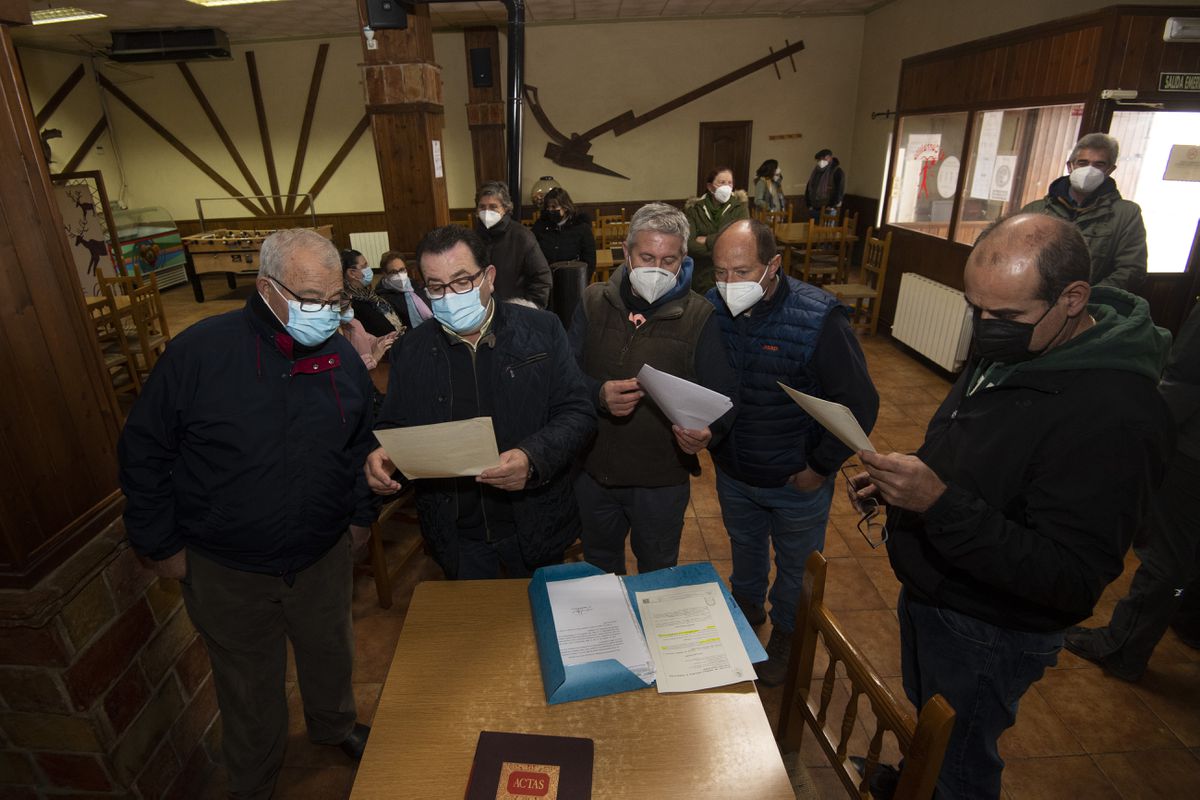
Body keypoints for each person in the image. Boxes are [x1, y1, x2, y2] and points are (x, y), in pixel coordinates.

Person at [849, 213, 1173, 799]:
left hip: (989, 626)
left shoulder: (1118, 417)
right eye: (975, 309)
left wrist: (936, 502)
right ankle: (915, 783)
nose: (984, 329)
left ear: (1072, 299)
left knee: (962, 762)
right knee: (932, 724)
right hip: (938, 588)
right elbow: (977, 446)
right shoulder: (1024, 341)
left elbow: (1071, 578)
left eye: (1004, 317)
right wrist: (909, 480)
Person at [118, 229, 377, 799]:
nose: (325, 312)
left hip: (321, 554)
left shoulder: (340, 356)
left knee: (331, 652)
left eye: (335, 299)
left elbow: (363, 445)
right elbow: (143, 452)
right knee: (248, 686)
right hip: (226, 567)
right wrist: (161, 546)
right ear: (266, 288)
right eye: (311, 298)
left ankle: (334, 725)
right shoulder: (199, 353)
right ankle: (254, 781)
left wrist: (360, 516)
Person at [364, 225, 595, 580]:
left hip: (532, 517)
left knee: (534, 609)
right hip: (457, 531)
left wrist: (532, 457)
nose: (449, 296)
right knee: (474, 614)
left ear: (489, 277)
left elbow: (578, 412)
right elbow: (395, 421)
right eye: (436, 286)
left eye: (461, 281)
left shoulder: (543, 330)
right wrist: (384, 452)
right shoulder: (411, 349)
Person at [707, 218, 878, 687]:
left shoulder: (820, 318)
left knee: (797, 566)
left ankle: (786, 632)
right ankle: (746, 609)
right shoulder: (712, 308)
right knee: (744, 549)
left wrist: (818, 467)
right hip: (735, 470)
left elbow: (860, 404)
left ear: (774, 265)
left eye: (742, 271)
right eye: (719, 272)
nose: (728, 283)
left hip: (795, 479)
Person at [568, 202, 737, 575]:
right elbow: (564, 377)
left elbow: (725, 398)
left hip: (661, 483)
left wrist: (709, 433)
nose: (657, 269)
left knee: (658, 577)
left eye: (668, 260)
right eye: (647, 257)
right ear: (626, 253)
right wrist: (598, 394)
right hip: (594, 475)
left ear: (683, 260)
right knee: (599, 573)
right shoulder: (593, 301)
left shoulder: (700, 316)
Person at [1064, 301, 1200, 680]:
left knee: (1166, 557)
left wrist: (1142, 433)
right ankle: (1190, 621)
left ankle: (1124, 648)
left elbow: (1184, 383)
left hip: (1191, 452)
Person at [1020, 132, 1147, 290]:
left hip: (1092, 301)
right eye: (1083, 163)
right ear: (1070, 166)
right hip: (1037, 298)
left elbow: (1131, 270)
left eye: (1099, 164)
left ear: (1110, 170)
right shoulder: (1036, 209)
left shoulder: (1126, 214)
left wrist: (1086, 296)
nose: (1089, 170)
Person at [474, 180, 553, 308]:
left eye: (493, 207)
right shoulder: (472, 238)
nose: (487, 212)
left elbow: (541, 277)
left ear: (505, 208)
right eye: (482, 207)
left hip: (514, 310)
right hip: (480, 310)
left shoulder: (522, 236)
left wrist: (529, 309)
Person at [685, 167, 750, 294]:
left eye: (730, 183)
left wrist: (708, 240)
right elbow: (689, 244)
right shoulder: (694, 209)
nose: (727, 187)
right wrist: (725, 246)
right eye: (722, 182)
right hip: (702, 274)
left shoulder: (739, 207)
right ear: (710, 187)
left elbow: (741, 241)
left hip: (732, 273)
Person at [532, 187, 597, 282]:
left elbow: (590, 261)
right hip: (546, 279)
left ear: (565, 207)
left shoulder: (581, 228)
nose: (550, 210)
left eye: (554, 207)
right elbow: (532, 253)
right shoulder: (540, 226)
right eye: (548, 207)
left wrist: (581, 282)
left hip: (572, 279)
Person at [341, 248, 404, 336]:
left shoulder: (367, 294)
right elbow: (381, 330)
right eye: (364, 266)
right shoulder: (354, 304)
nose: (369, 269)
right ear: (352, 273)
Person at [376, 250, 432, 330]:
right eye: (394, 272)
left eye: (402, 270)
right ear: (385, 274)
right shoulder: (383, 299)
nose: (400, 275)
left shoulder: (415, 285)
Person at [804, 148, 845, 221]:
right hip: (814, 208)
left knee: (826, 228)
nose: (821, 161)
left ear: (830, 158)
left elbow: (839, 191)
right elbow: (809, 187)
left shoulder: (837, 171)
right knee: (812, 227)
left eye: (823, 158)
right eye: (819, 159)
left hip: (828, 210)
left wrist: (831, 205)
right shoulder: (816, 171)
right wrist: (809, 204)